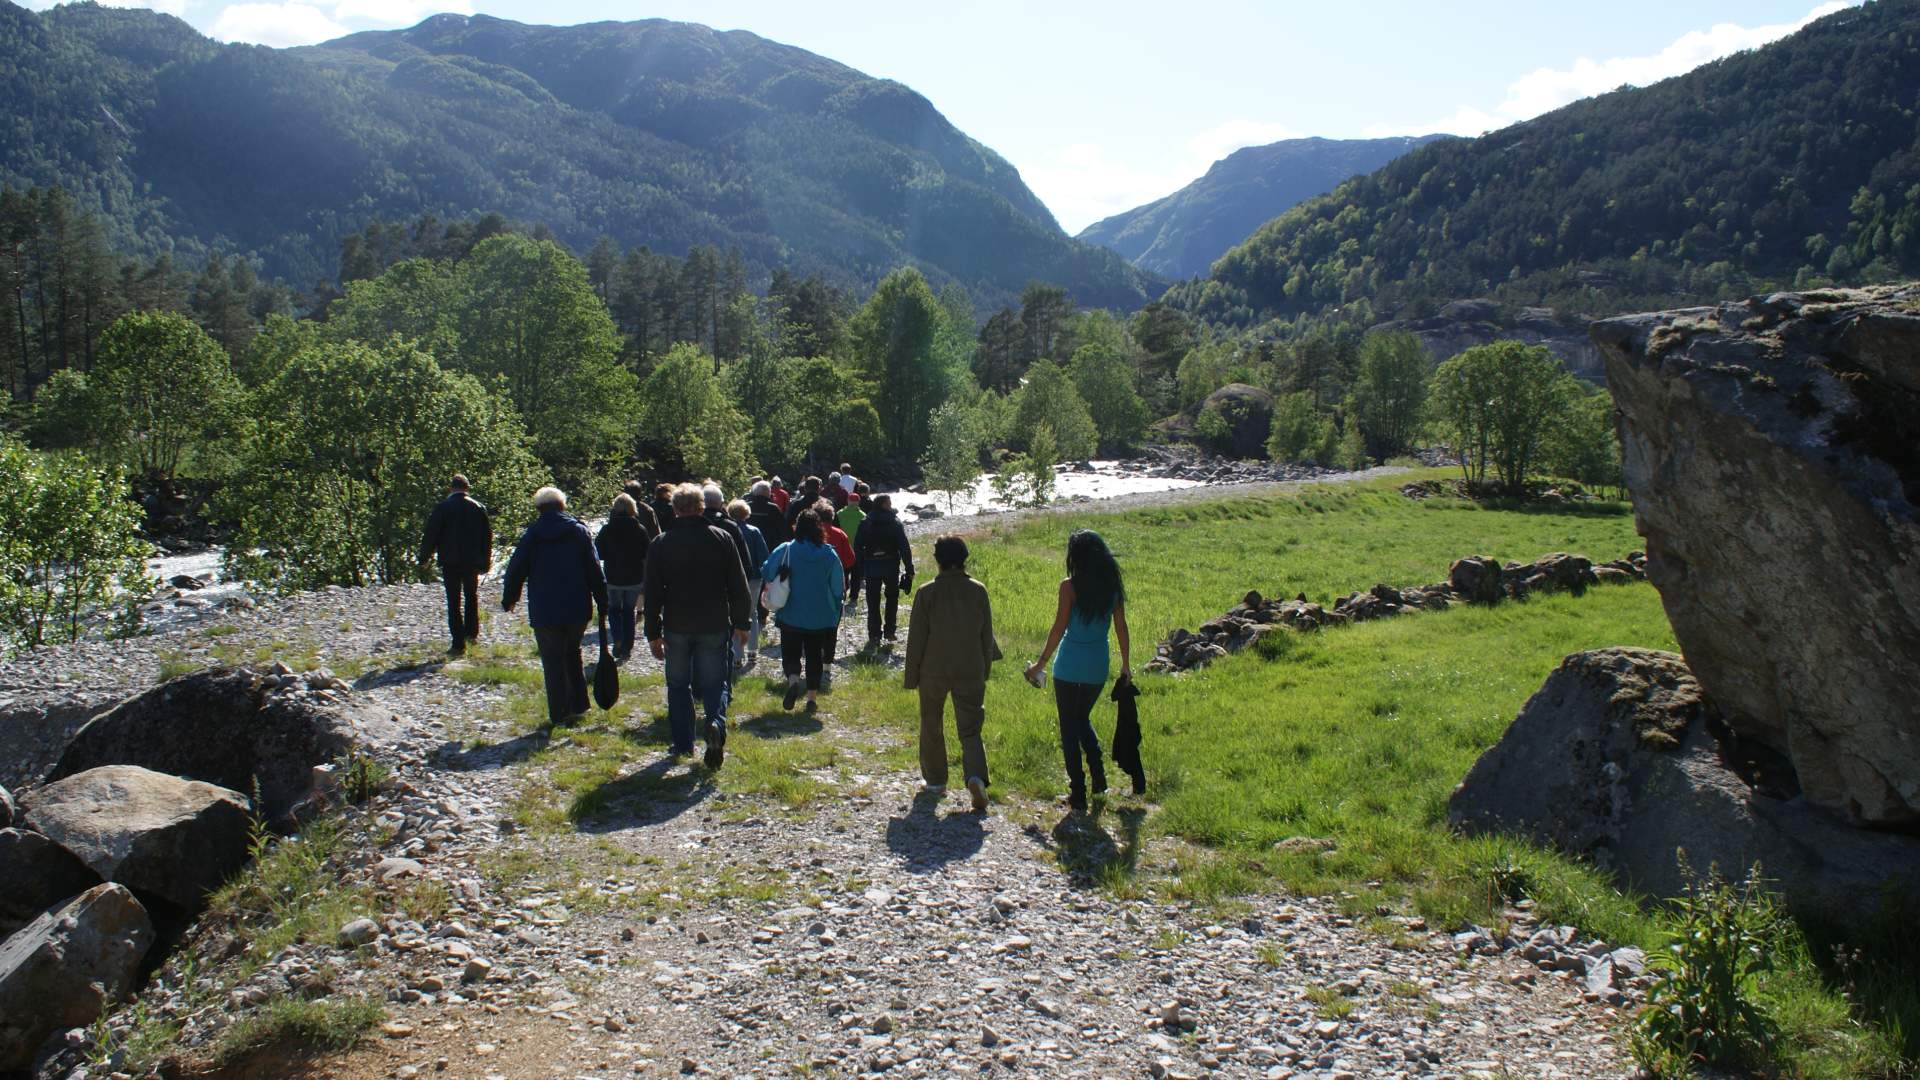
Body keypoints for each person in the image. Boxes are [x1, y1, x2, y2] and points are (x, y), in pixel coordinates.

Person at [644, 483, 751, 767]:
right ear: (702, 507)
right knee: (715, 682)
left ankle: (682, 743)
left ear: (676, 510)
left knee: (678, 684)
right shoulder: (722, 538)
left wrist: (652, 632)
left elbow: (653, 592)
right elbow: (738, 586)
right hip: (714, 622)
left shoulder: (661, 543)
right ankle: (715, 723)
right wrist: (743, 623)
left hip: (677, 624)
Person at [1026, 530, 1132, 812]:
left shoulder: (1069, 587)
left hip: (1069, 666)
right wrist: (1125, 664)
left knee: (1069, 728)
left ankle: (1078, 793)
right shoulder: (1112, 587)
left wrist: (1039, 665)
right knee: (1081, 718)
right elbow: (1121, 627)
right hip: (1098, 665)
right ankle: (1098, 778)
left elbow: (1059, 628)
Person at [903, 535, 1000, 813]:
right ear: (964, 558)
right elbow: (986, 634)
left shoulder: (926, 592)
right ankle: (975, 778)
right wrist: (985, 668)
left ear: (938, 560)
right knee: (970, 728)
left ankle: (935, 781)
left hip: (934, 668)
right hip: (970, 666)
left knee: (931, 722)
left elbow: (917, 639)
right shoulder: (978, 590)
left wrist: (911, 677)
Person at [501, 487, 608, 729]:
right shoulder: (579, 532)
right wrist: (603, 600)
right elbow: (594, 569)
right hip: (576, 604)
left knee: (552, 660)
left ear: (539, 508)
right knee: (573, 652)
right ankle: (579, 705)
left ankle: (559, 713)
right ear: (563, 506)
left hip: (545, 607)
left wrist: (510, 598)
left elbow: (516, 568)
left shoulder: (532, 535)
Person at [762, 508, 845, 711]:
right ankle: (811, 699)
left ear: (797, 527)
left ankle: (792, 681)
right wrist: (836, 608)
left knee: (790, 652)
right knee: (815, 654)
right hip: (820, 614)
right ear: (819, 528)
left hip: (791, 612)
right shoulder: (829, 553)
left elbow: (766, 570)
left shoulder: (786, 549)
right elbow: (837, 587)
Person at [418, 474, 493, 656]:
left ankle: (458, 644)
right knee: (471, 596)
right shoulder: (478, 507)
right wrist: (486, 560)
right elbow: (487, 536)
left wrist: (424, 557)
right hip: (472, 561)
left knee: (453, 600)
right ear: (467, 488)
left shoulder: (443, 508)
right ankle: (472, 634)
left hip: (450, 560)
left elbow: (431, 534)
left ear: (451, 488)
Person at [595, 493, 650, 662]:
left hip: (613, 576)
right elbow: (647, 552)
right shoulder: (639, 529)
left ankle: (617, 637)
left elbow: (598, 553)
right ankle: (628, 647)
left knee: (613, 609)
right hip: (634, 577)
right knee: (628, 611)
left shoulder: (607, 529)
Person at [853, 493, 913, 645]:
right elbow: (904, 547)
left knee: (872, 600)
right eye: (889, 503)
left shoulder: (866, 521)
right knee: (892, 598)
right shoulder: (895, 522)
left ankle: (874, 634)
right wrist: (909, 568)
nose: (891, 505)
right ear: (884, 504)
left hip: (871, 565)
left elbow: (857, 546)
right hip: (891, 565)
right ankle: (890, 631)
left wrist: (860, 568)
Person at [816, 497, 856, 690]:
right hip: (836, 588)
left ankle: (814, 657)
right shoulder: (839, 534)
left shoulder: (808, 536)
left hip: (812, 587)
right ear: (832, 517)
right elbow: (850, 560)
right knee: (832, 625)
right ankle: (827, 664)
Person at [726, 498, 770, 666]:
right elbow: (764, 556)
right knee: (752, 613)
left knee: (734, 615)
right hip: (754, 578)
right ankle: (752, 652)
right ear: (746, 513)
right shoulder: (754, 531)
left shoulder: (727, 530)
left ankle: (737, 655)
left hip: (733, 578)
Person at [746, 480, 790, 547]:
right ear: (768, 492)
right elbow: (782, 528)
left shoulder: (747, 506)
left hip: (749, 543)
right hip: (770, 544)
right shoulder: (773, 508)